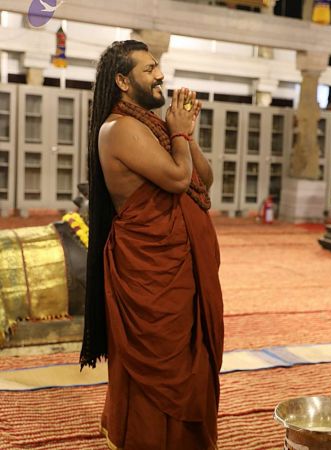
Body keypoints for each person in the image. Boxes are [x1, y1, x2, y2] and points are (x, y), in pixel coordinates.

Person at [80, 40, 223, 450]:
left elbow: (203, 179)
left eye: (158, 65)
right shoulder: (119, 129)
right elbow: (178, 179)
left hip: (181, 266)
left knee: (190, 358)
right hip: (151, 271)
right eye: (149, 69)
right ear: (123, 81)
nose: (160, 74)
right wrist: (177, 131)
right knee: (162, 363)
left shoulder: (152, 126)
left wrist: (185, 134)